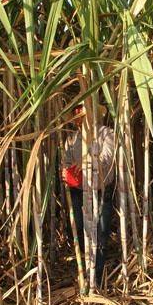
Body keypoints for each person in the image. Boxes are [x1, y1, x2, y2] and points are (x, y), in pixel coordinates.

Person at [62, 102, 115, 287]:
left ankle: (97, 278)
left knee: (100, 232)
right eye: (76, 116)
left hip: (100, 190)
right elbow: (66, 162)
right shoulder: (71, 139)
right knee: (78, 228)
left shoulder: (106, 134)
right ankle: (84, 268)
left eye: (82, 115)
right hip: (77, 191)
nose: (79, 120)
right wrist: (66, 171)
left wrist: (87, 163)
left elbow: (107, 157)